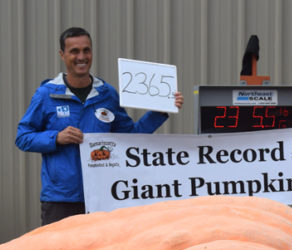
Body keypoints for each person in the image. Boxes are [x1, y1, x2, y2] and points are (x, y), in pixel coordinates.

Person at [16, 27, 184, 225]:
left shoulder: (107, 94)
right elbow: (23, 137)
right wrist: (55, 138)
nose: (81, 57)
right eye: (74, 51)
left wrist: (161, 110)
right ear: (62, 55)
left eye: (86, 50)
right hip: (61, 198)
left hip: (102, 195)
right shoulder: (47, 94)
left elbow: (130, 136)